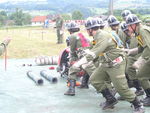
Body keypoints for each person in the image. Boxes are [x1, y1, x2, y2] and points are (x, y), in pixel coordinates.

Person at [70, 17, 144, 113]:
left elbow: (94, 53)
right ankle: (110, 99)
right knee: (95, 80)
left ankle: (138, 105)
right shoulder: (96, 37)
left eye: (87, 29)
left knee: (121, 88)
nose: (87, 31)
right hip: (106, 64)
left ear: (90, 29)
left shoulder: (102, 36)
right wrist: (85, 61)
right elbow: (92, 50)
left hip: (116, 64)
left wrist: (79, 63)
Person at [125, 14, 150, 106]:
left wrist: (140, 60)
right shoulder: (139, 32)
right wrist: (130, 51)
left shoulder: (143, 31)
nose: (128, 28)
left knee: (141, 75)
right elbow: (142, 47)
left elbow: (149, 47)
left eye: (128, 25)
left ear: (134, 25)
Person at [120, 22, 144, 96]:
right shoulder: (134, 35)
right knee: (129, 69)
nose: (127, 32)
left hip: (141, 55)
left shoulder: (140, 33)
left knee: (144, 73)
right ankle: (139, 88)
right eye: (125, 31)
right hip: (134, 55)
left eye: (128, 30)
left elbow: (143, 47)